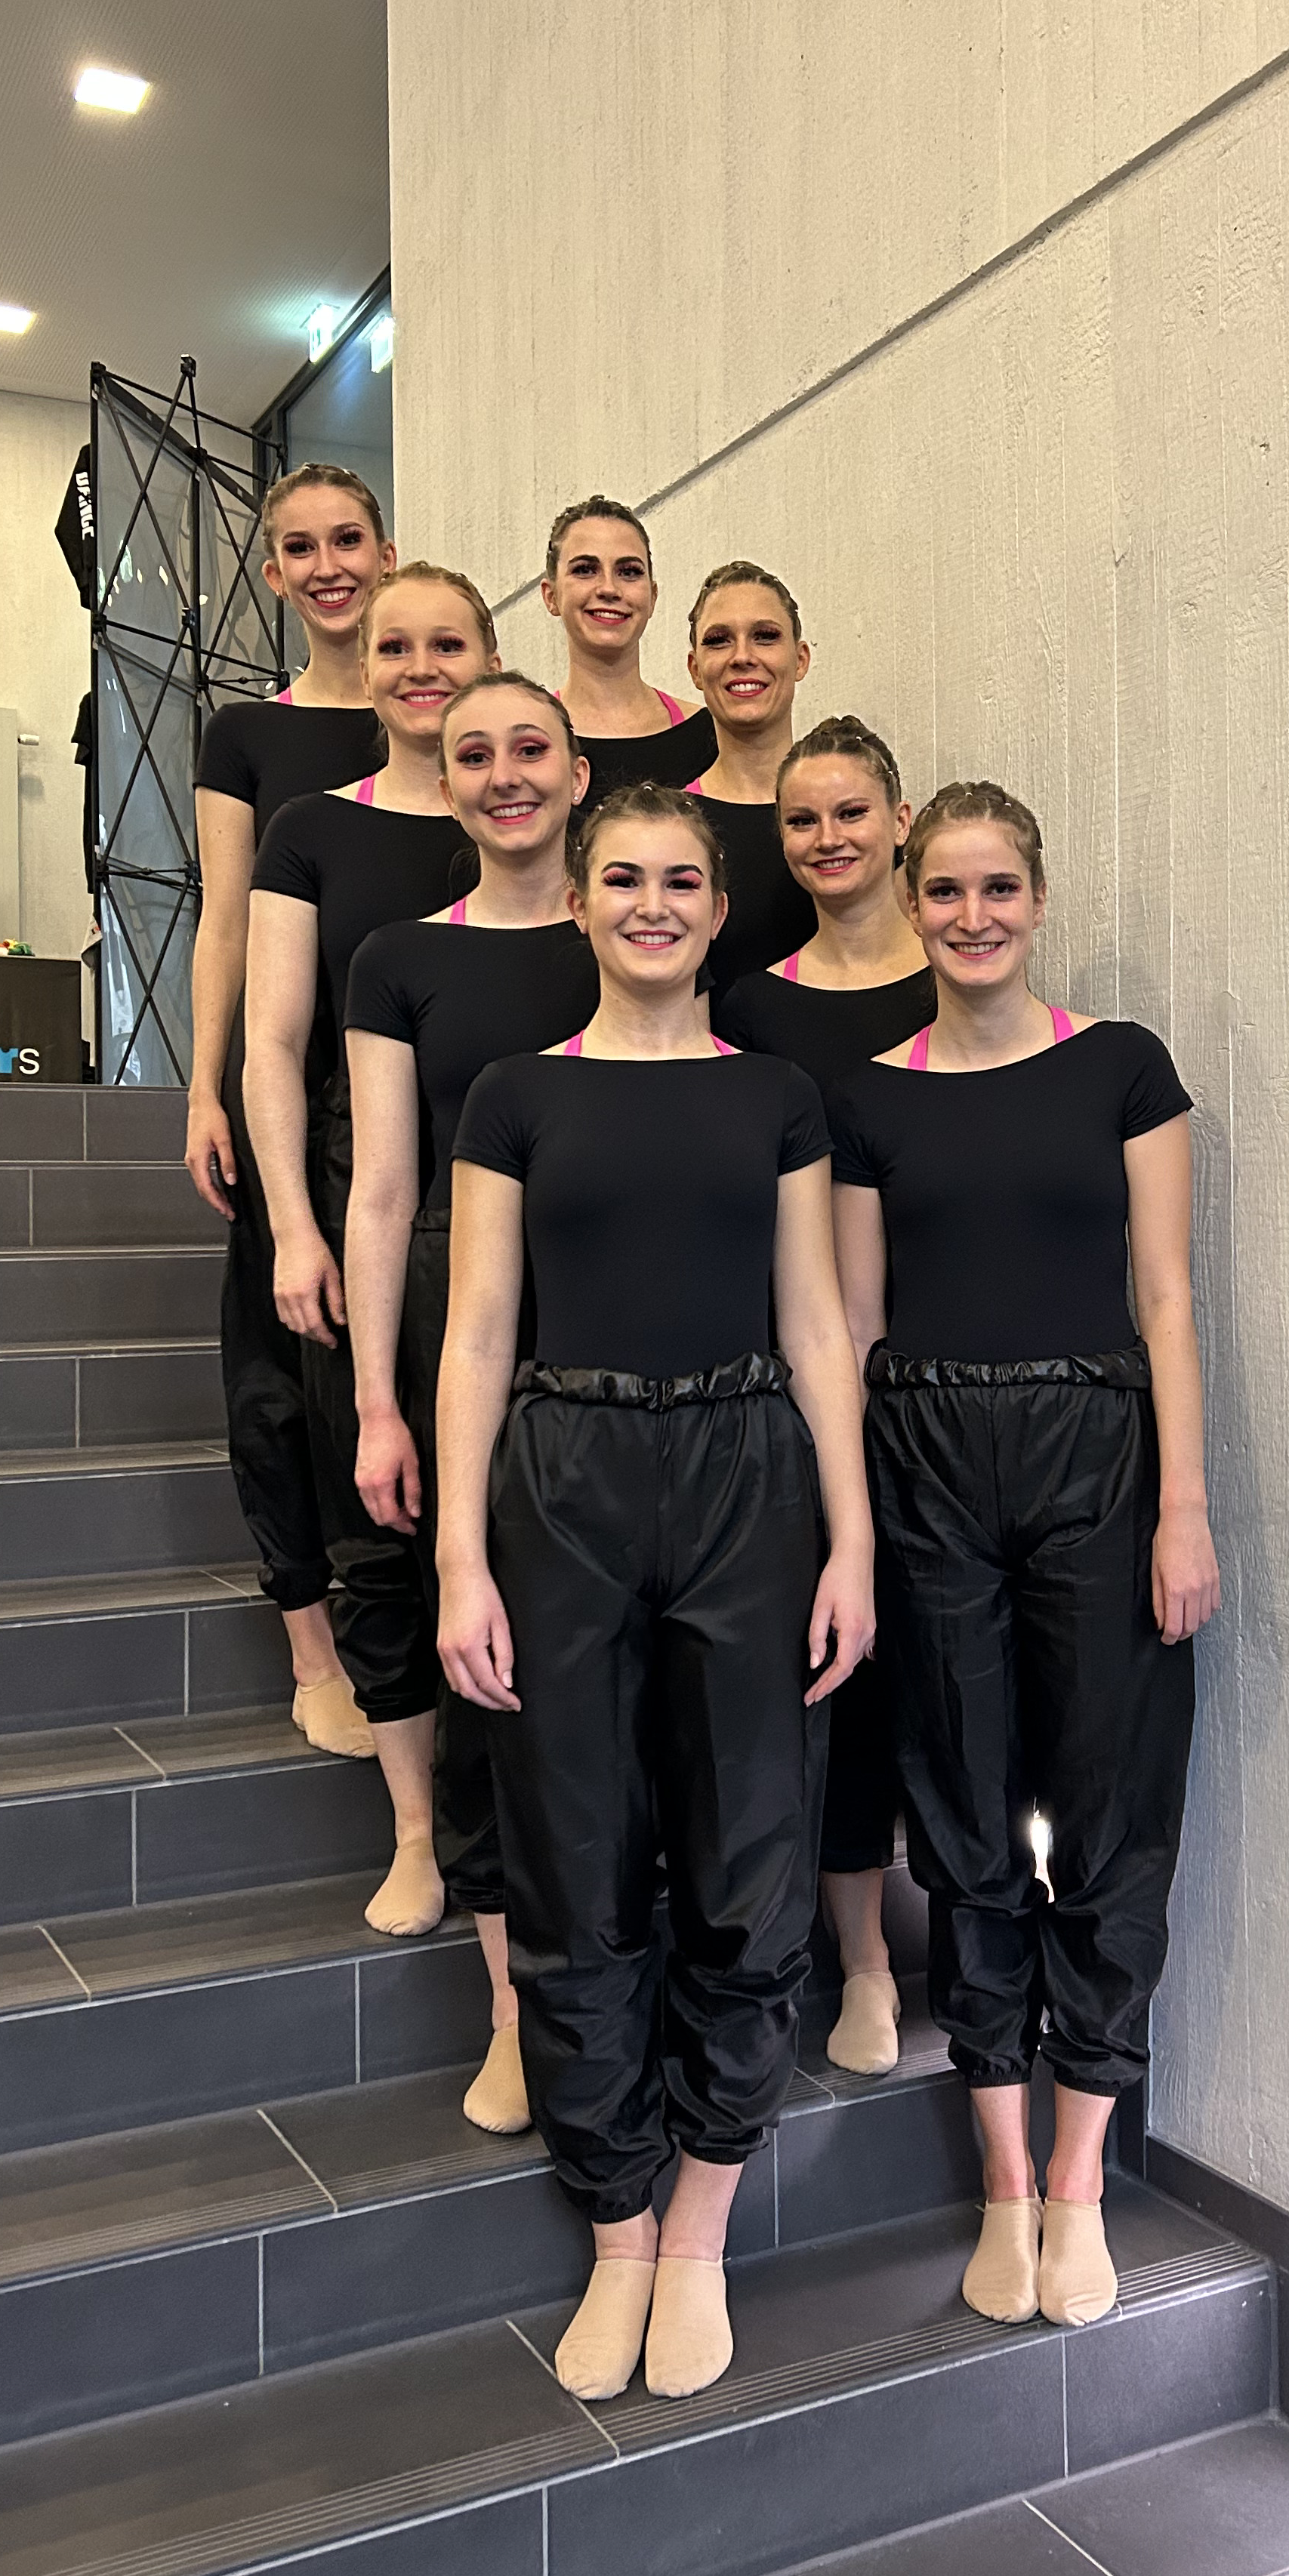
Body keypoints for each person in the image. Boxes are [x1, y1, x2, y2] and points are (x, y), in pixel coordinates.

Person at [434, 781, 874, 2405]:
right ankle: (616, 2218)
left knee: (749, 1853)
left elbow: (816, 1325)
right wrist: (460, 1556)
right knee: (571, 1853)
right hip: (562, 1475)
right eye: (621, 878)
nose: (651, 904)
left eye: (681, 880)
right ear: (580, 902)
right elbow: (478, 1331)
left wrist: (851, 1538)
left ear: (716, 905)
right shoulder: (515, 1093)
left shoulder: (774, 1094)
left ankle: (699, 2226)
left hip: (748, 1471)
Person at [828, 779, 1217, 2332]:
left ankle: (1079, 2176)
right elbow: (857, 1327)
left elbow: (1166, 1297)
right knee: (962, 1810)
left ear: (1037, 900)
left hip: (1095, 1454)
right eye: (945, 891)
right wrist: (854, 1526)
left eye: (998, 889)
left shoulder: (1121, 1067)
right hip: (923, 1457)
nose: (971, 916)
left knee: (1111, 1814)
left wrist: (1183, 1505)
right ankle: (1002, 2172)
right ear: (911, 904)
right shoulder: (867, 1097)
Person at [341, 673, 600, 2137]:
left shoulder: (640, 927)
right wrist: (376, 1397)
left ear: (578, 771)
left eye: (530, 749)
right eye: (475, 754)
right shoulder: (398, 960)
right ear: (444, 782)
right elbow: (382, 1191)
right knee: (491, 1672)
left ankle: (622, 1977)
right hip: (462, 1323)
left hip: (620, 1320)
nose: (505, 774)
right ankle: (510, 2007)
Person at [242, 565, 491, 1930]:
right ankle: (414, 1831)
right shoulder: (312, 830)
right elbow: (275, 1041)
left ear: (489, 657)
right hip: (362, 1197)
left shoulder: (537, 826)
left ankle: (513, 1837)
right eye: (398, 645)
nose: (420, 665)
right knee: (381, 1523)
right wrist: (294, 1221)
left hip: (517, 1209)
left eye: (448, 642)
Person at [716, 714, 935, 2077]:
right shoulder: (752, 1009)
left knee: (941, 1670)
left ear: (899, 822)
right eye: (802, 819)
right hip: (809, 1379)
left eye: (852, 812)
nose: (828, 837)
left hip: (954, 1372)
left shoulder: (961, 968)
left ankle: (971, 1936)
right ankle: (860, 1959)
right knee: (836, 1672)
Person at [186, 465, 390, 1760]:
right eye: (300, 549)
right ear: (272, 575)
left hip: (418, 1081)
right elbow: (223, 921)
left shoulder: (445, 714)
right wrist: (203, 1085)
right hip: (286, 1083)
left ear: (386, 552)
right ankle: (312, 1640)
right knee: (279, 1364)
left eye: (347, 540)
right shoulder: (246, 735)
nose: (328, 566)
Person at [683, 561, 817, 994]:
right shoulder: (672, 827)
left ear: (800, 659)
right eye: (719, 640)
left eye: (765, 636)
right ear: (695, 669)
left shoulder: (855, 816)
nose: (742, 657)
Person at [539, 495, 715, 797]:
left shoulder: (707, 735)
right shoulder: (529, 739)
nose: (609, 588)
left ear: (653, 597)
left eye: (629, 572)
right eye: (585, 569)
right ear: (551, 595)